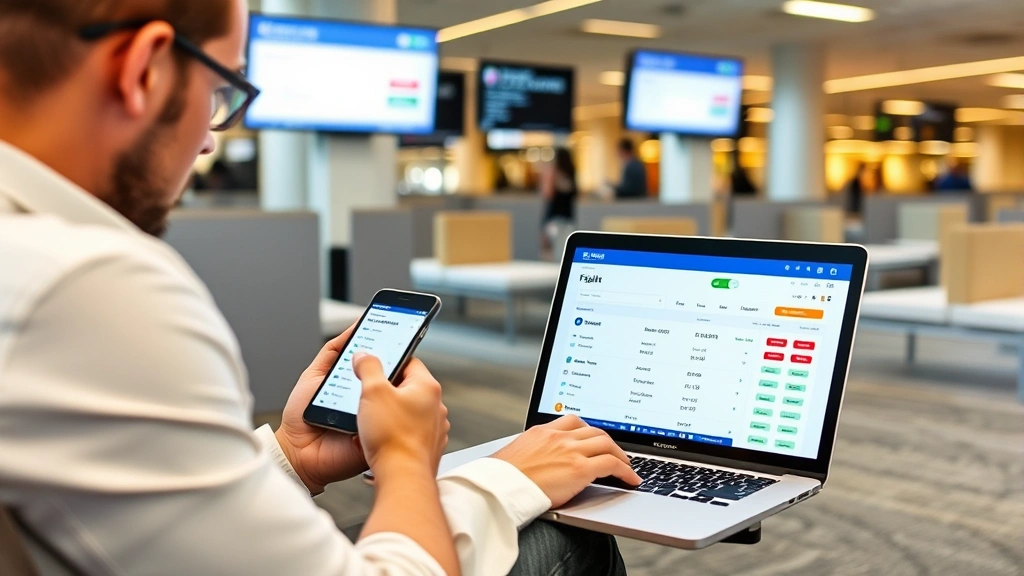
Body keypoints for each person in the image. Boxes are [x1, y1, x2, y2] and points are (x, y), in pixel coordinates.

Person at [0, 1, 642, 575]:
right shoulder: (84, 285)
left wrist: (291, 457)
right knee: (573, 539)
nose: (205, 141)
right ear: (142, 68)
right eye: (220, 92)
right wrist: (419, 464)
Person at [540, 148, 578, 260]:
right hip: (569, 218)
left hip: (554, 217)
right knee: (565, 253)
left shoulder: (553, 173)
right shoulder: (571, 173)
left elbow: (547, 194)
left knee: (552, 254)